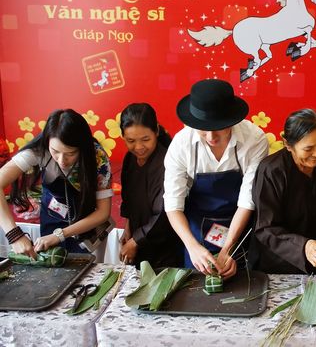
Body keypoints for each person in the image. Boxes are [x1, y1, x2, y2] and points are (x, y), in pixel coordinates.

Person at [164, 79, 268, 278]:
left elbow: (248, 200)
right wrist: (192, 246)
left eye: (219, 127)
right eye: (203, 129)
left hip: (240, 224)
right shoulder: (181, 144)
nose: (211, 136)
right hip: (197, 227)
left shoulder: (254, 139)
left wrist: (229, 248)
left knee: (242, 285)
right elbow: (173, 204)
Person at [0, 109, 112, 257]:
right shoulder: (39, 149)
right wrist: (14, 235)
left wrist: (60, 235)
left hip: (86, 224)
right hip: (52, 217)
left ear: (82, 147)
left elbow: (103, 212)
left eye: (70, 154)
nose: (61, 160)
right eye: (55, 151)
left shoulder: (98, 158)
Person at [251, 109, 316, 274]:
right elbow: (265, 229)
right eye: (308, 148)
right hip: (280, 264)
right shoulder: (272, 170)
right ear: (287, 144)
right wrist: (305, 246)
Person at [119, 103, 183, 268]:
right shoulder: (129, 159)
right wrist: (128, 228)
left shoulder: (168, 161)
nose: (139, 147)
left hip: (165, 245)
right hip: (139, 240)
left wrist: (135, 241)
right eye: (131, 141)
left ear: (156, 131)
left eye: (145, 139)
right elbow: (128, 198)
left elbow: (163, 213)